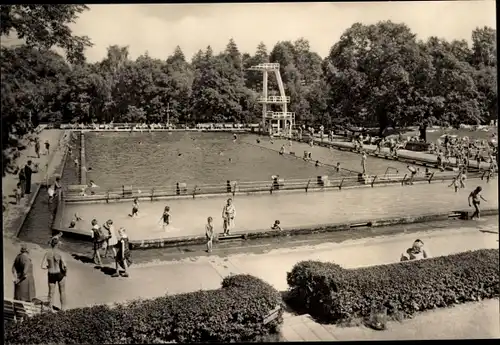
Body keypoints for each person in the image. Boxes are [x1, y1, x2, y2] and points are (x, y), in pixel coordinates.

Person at [41, 236, 67, 311]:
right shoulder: (59, 253)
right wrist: (65, 272)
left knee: (51, 292)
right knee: (62, 291)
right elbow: (64, 266)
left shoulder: (47, 253)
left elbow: (42, 266)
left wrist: (48, 266)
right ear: (57, 244)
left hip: (51, 273)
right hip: (59, 273)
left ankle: (50, 308)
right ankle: (63, 309)